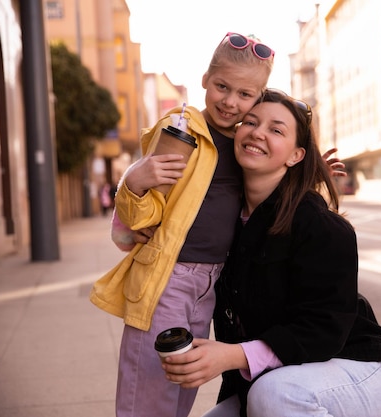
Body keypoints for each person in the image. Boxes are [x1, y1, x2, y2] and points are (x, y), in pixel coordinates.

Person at [161, 89, 381, 417]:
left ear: (296, 155)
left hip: (356, 367)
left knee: (274, 396)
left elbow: (323, 330)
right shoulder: (227, 224)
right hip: (280, 374)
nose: (258, 132)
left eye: (276, 130)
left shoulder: (322, 227)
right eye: (250, 122)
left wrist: (232, 356)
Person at [90, 32, 276, 417]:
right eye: (222, 87)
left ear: (259, 97)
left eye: (245, 94)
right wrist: (136, 182)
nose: (230, 101)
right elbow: (143, 216)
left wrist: (312, 167)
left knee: (180, 387)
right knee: (149, 392)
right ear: (205, 79)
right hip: (168, 279)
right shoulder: (181, 130)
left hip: (210, 286)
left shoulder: (248, 141)